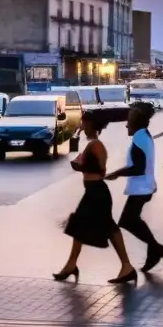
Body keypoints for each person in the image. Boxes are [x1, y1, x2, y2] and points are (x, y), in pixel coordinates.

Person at [54, 111, 136, 284]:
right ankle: (72, 264)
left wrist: (81, 165)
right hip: (93, 191)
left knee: (99, 227)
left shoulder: (96, 145)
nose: (82, 127)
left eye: (84, 123)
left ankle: (126, 266)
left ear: (91, 124)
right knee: (88, 226)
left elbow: (101, 169)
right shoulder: (92, 144)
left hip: (97, 192)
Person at [106, 106, 163, 274]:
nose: (126, 126)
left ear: (135, 124)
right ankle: (155, 250)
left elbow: (138, 168)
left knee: (127, 221)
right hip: (144, 186)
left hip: (141, 188)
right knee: (131, 220)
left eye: (128, 123)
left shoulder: (139, 139)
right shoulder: (143, 135)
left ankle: (156, 249)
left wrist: (117, 173)